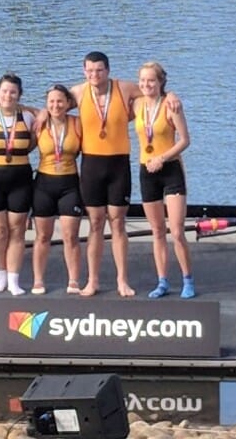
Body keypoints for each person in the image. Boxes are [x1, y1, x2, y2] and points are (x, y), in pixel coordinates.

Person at [67, 51, 177, 297]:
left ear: (108, 70)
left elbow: (154, 93)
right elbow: (54, 104)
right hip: (91, 165)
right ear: (84, 72)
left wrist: (172, 96)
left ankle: (122, 280)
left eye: (99, 70)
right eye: (90, 70)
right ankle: (92, 281)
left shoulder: (124, 88)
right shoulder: (77, 92)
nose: (95, 75)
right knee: (95, 224)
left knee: (118, 223)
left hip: (118, 165)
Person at [135, 62, 194, 299]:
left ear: (161, 83)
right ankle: (162, 282)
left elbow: (185, 140)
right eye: (143, 80)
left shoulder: (171, 106)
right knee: (157, 230)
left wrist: (162, 158)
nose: (146, 84)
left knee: (177, 231)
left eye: (151, 80)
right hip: (146, 171)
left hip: (170, 170)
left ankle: (188, 279)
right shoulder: (138, 104)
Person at [0, 73, 37, 296]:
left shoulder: (29, 118)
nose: (8, 95)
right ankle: (1, 276)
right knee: (0, 230)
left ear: (19, 95)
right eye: (4, 91)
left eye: (13, 92)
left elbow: (33, 143)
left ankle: (14, 279)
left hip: (20, 178)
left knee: (17, 230)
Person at [31, 85, 84, 295]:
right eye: (51, 102)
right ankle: (38, 280)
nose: (56, 105)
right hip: (44, 183)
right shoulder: (39, 124)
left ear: (68, 103)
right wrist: (41, 112)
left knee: (71, 236)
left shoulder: (77, 123)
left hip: (69, 184)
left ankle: (73, 280)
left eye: (60, 101)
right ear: (46, 104)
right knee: (43, 236)